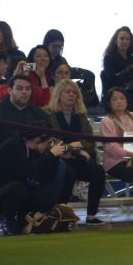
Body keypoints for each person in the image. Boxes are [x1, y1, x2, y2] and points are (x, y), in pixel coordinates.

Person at [43, 79, 107, 225]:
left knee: (98, 171)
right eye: (67, 92)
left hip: (77, 157)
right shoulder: (48, 113)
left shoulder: (80, 115)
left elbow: (89, 141)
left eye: (74, 93)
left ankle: (91, 216)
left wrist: (77, 146)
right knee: (68, 173)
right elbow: (51, 140)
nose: (71, 95)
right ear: (59, 94)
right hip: (57, 158)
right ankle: (61, 215)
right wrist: (75, 148)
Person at [0, 125, 63, 236]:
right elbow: (30, 172)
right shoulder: (13, 145)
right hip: (1, 191)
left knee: (47, 200)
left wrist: (54, 158)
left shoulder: (34, 150)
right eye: (48, 142)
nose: (49, 145)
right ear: (37, 140)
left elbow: (45, 179)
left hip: (20, 189)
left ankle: (22, 220)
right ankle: (5, 221)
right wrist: (50, 155)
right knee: (17, 188)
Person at [101, 26, 133, 112]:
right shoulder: (109, 58)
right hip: (116, 92)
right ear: (116, 40)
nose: (124, 41)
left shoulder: (132, 57)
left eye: (127, 39)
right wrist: (131, 69)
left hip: (132, 91)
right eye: (122, 38)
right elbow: (111, 80)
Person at [100, 87, 133, 184]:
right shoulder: (107, 121)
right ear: (109, 103)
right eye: (114, 99)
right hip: (115, 161)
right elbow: (111, 147)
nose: (119, 101)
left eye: (122, 98)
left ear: (127, 101)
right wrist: (131, 154)